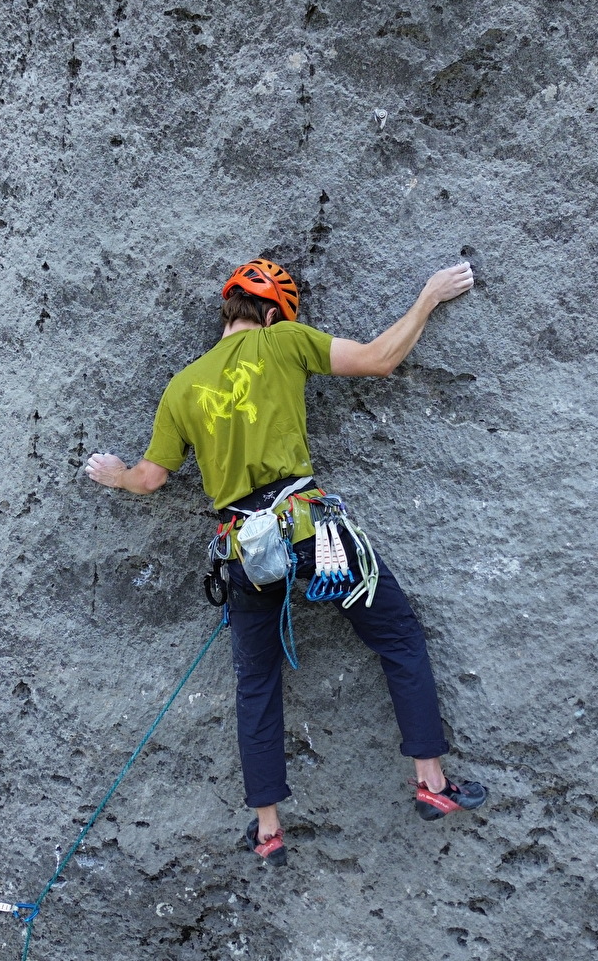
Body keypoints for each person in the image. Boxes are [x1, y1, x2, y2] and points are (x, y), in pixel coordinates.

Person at [85, 257, 486, 865]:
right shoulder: (284, 341)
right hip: (309, 530)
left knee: (257, 684)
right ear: (273, 313)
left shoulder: (182, 386)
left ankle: (268, 829)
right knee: (399, 638)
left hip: (245, 549)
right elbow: (380, 359)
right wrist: (428, 297)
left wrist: (113, 475)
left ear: (229, 313)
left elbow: (148, 478)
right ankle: (433, 785)